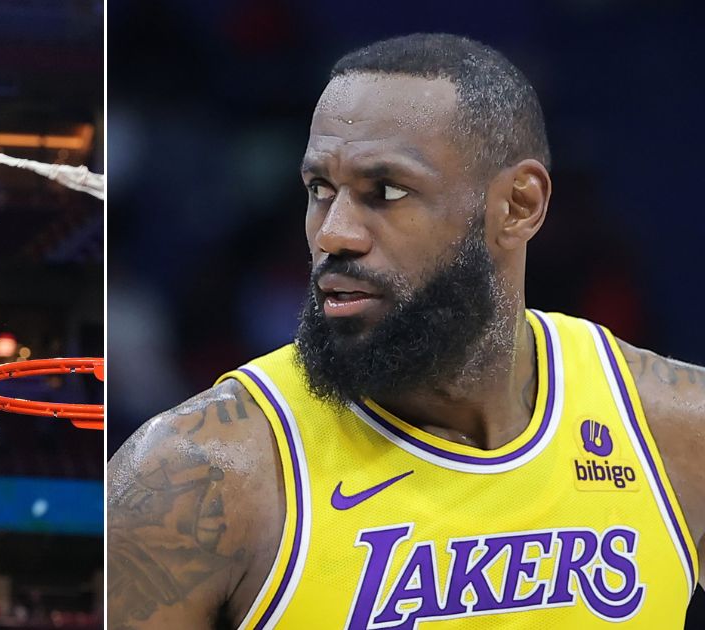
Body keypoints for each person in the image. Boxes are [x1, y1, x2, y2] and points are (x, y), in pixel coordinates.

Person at [107, 33, 705, 628]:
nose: (334, 234)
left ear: (518, 206)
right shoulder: (193, 482)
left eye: (386, 192)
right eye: (320, 190)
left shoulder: (675, 428)